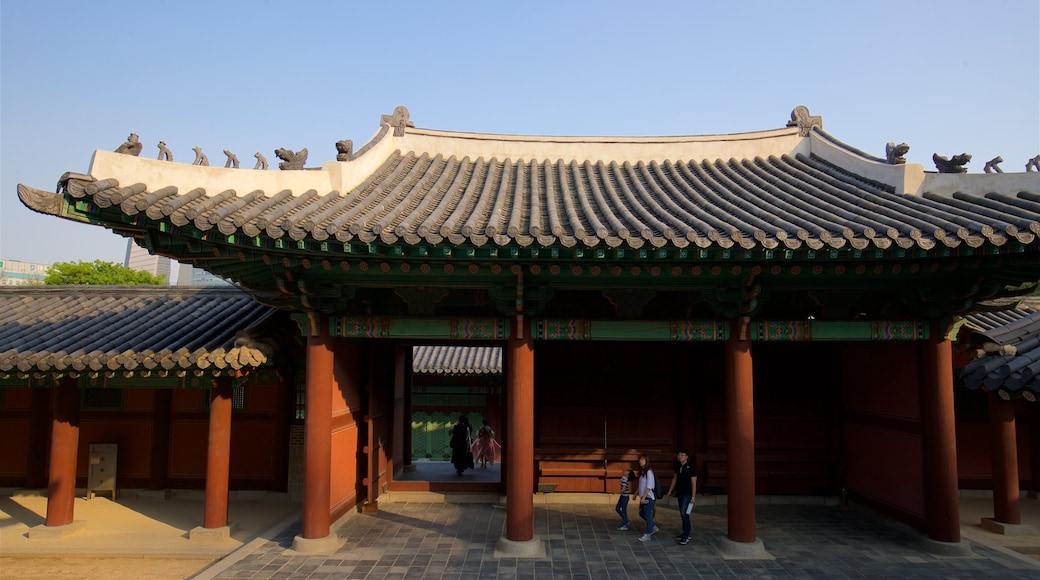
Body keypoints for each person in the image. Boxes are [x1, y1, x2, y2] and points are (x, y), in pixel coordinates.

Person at [664, 448, 698, 545]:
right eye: (679, 455)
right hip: (680, 492)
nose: (680, 457)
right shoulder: (677, 466)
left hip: (688, 493)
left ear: (687, 457)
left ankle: (686, 535)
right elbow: (674, 479)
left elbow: (694, 483)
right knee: (682, 514)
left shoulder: (691, 467)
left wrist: (693, 496)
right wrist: (670, 490)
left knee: (684, 514)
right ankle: (685, 532)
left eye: (682, 455)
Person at [635, 455, 659, 542]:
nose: (640, 461)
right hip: (643, 496)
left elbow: (649, 486)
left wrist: (644, 496)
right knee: (642, 513)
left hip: (648, 497)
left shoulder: (649, 472)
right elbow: (641, 485)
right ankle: (653, 526)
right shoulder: (642, 472)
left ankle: (649, 533)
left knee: (648, 515)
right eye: (640, 459)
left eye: (642, 459)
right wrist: (636, 493)